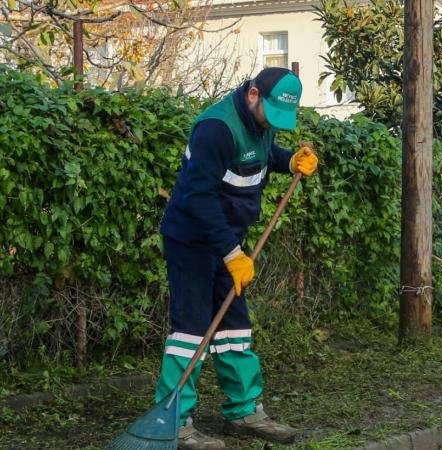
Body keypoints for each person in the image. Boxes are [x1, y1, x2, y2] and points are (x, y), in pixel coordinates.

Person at [155, 67, 319, 449]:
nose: (273, 123)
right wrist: (232, 255)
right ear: (252, 95)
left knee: (234, 328)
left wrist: (289, 161)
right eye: (271, 113)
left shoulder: (261, 122)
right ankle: (174, 421)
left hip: (230, 242)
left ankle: (243, 411)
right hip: (192, 240)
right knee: (191, 330)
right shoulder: (215, 128)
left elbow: (255, 159)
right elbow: (199, 198)